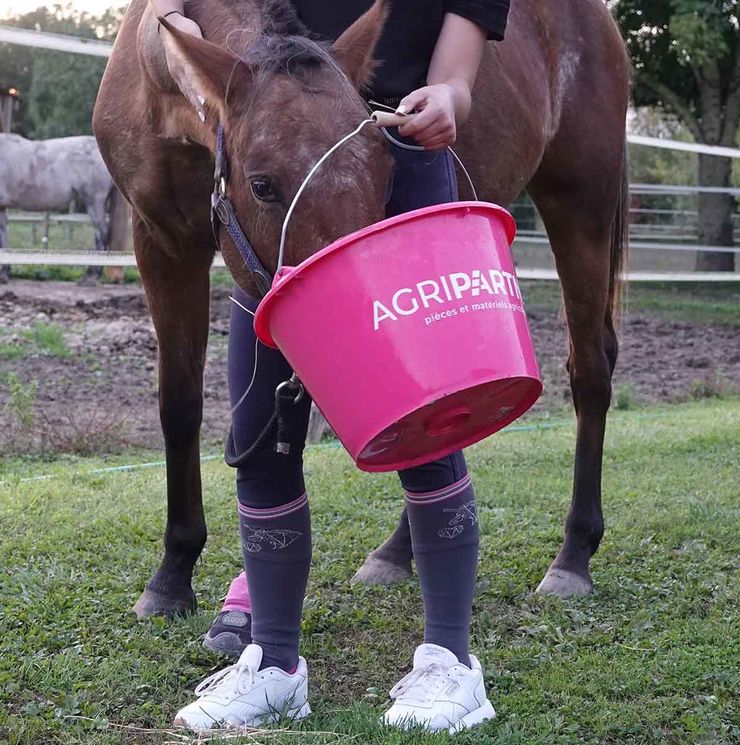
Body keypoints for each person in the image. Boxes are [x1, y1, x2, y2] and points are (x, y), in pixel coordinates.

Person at [152, 0, 511, 733]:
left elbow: (456, 76)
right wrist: (175, 34)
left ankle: (449, 661)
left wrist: (447, 99)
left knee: (426, 424)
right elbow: (170, 14)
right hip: (272, 169)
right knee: (261, 436)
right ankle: (275, 664)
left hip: (392, 164)